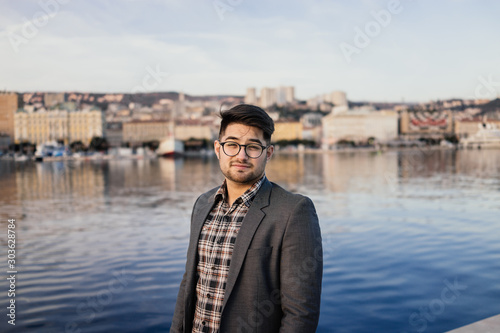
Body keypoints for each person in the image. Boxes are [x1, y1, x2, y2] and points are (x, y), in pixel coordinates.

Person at [170, 104, 323, 333]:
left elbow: (301, 313)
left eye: (252, 147)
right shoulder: (202, 204)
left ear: (268, 153)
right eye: (232, 145)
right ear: (218, 148)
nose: (241, 155)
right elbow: (188, 286)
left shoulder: (294, 211)